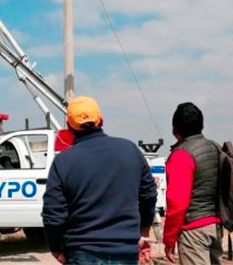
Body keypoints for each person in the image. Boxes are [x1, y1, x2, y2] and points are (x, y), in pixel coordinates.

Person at [42, 96, 157, 264]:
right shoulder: (130, 150)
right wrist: (144, 232)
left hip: (83, 252)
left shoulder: (63, 161)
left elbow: (53, 214)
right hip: (125, 252)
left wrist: (56, 248)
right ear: (101, 120)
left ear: (68, 127)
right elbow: (149, 195)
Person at [163, 102, 222, 265]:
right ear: (201, 125)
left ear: (175, 129)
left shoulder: (181, 154)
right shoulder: (215, 148)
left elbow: (177, 203)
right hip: (215, 227)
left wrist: (169, 239)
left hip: (193, 232)